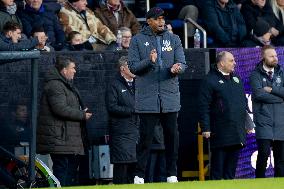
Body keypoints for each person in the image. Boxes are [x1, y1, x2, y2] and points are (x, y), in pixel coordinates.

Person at [128, 7, 187, 184]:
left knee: (172, 138)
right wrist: (149, 61)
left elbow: (182, 63)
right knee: (145, 139)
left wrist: (178, 68)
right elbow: (132, 67)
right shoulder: (137, 40)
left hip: (169, 97)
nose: (161, 22)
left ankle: (172, 174)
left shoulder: (174, 38)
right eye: (157, 19)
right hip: (148, 97)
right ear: (149, 21)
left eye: (162, 18)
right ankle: (139, 175)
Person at [37, 56, 92, 186]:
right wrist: (81, 115)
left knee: (69, 170)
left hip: (66, 139)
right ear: (64, 70)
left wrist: (81, 109)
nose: (75, 71)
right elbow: (60, 109)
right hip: (59, 138)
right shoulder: (55, 85)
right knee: (62, 170)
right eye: (73, 68)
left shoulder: (64, 85)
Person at [198, 51, 251, 180]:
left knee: (231, 171)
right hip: (220, 131)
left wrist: (248, 123)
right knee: (217, 170)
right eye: (231, 60)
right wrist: (206, 128)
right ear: (221, 63)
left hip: (237, 131)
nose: (234, 63)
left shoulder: (236, 78)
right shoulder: (209, 80)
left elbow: (243, 103)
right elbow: (203, 106)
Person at [250, 45, 284, 178]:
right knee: (263, 155)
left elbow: (266, 93)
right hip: (264, 121)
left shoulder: (282, 72)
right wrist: (280, 99)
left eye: (276, 56)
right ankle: (259, 183)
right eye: (271, 56)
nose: (275, 58)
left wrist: (272, 89)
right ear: (263, 57)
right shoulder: (255, 74)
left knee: (281, 159)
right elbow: (259, 95)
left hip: (281, 122)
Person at [106, 56, 139, 184]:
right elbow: (112, 107)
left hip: (137, 131)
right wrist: (132, 110)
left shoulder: (139, 83)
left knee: (134, 167)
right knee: (122, 165)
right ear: (122, 68)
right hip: (121, 132)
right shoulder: (114, 84)